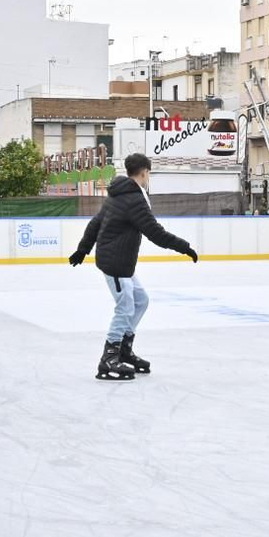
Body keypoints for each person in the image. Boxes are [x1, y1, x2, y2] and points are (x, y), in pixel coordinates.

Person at [69, 152, 198, 380]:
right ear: (144, 172)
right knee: (126, 307)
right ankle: (108, 357)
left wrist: (83, 249)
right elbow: (155, 233)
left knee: (140, 301)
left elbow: (95, 223)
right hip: (116, 262)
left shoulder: (118, 194)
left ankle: (124, 350)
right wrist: (184, 247)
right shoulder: (134, 198)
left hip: (120, 261)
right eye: (149, 173)